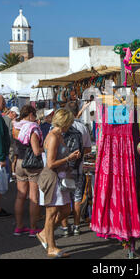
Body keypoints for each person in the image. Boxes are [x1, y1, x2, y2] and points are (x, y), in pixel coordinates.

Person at [36, 109, 81, 258]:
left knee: (66, 210)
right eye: (69, 122)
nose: (71, 125)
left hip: (60, 177)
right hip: (52, 178)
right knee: (51, 213)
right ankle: (51, 247)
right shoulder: (54, 136)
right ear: (65, 122)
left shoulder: (58, 135)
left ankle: (44, 234)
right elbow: (50, 163)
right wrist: (69, 158)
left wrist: (69, 158)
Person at [60, 101, 92, 236]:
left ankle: (65, 227)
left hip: (61, 167)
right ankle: (77, 226)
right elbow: (88, 148)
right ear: (76, 112)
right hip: (78, 168)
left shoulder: (58, 127)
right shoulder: (82, 127)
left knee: (63, 197)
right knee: (77, 197)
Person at [12, 105, 43, 237]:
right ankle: (33, 227)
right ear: (30, 114)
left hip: (19, 162)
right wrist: (45, 148)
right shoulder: (32, 128)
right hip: (32, 164)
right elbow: (36, 151)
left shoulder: (16, 127)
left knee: (20, 196)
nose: (35, 118)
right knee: (33, 197)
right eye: (34, 115)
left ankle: (19, 227)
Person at [3, 106, 20, 175]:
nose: (16, 116)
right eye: (16, 114)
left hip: (7, 143)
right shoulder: (8, 120)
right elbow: (10, 133)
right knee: (10, 159)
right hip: (9, 143)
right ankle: (9, 174)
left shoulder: (4, 118)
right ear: (12, 113)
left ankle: (8, 174)